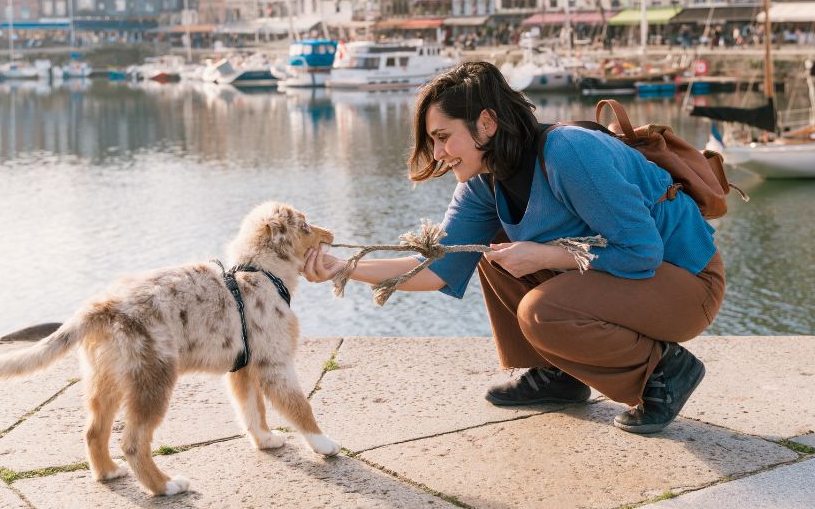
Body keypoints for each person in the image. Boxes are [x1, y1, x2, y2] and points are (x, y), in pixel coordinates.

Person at [303, 61, 724, 434]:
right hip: (633, 283)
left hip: (686, 284)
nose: (438, 153)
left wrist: (546, 255)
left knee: (543, 311)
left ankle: (665, 372)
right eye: (434, 141)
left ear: (487, 123)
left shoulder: (570, 153)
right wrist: (344, 267)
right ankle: (556, 375)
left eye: (444, 136)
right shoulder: (482, 182)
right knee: (493, 253)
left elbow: (641, 252)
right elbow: (435, 269)